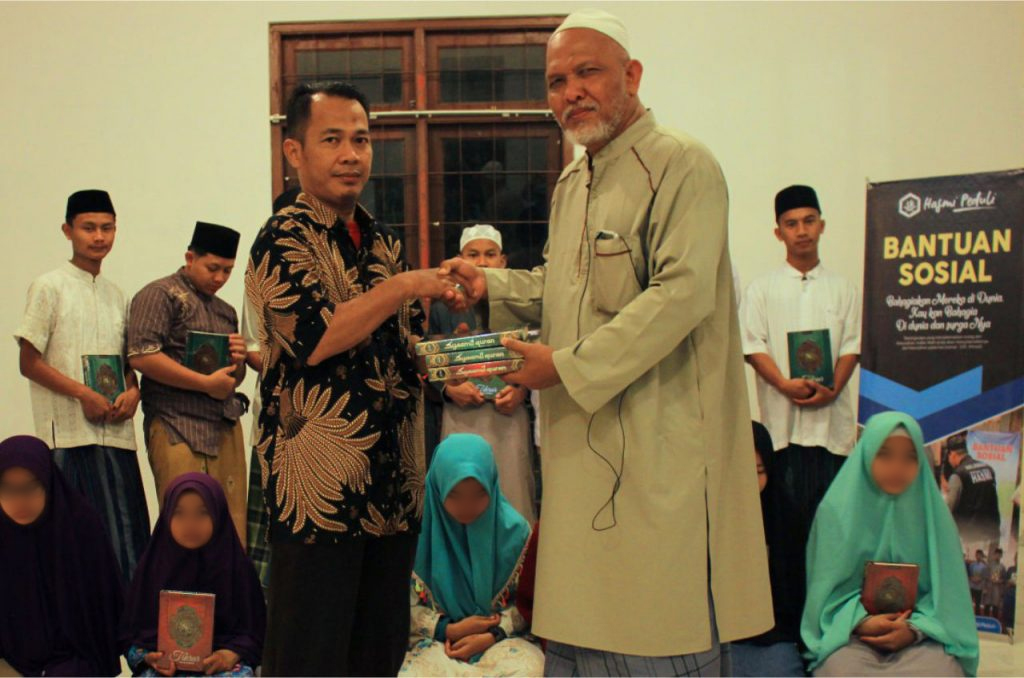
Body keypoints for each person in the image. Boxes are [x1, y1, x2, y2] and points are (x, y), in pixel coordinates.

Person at [440, 9, 771, 674]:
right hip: (581, 447)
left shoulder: (682, 164)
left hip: (660, 446)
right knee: (581, 629)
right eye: (556, 81)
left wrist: (564, 367)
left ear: (632, 74)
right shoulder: (573, 181)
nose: (571, 93)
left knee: (660, 627)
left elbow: (679, 298)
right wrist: (490, 286)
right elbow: (564, 288)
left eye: (587, 72)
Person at [244, 81, 452, 676]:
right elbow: (314, 340)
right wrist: (404, 286)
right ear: (294, 151)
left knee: (378, 653)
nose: (351, 155)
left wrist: (469, 356)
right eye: (332, 139)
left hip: (393, 487)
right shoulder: (282, 237)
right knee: (310, 656)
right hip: (321, 493)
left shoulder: (381, 240)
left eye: (360, 140)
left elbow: (408, 348)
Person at [740, 184, 861, 630]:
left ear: (822, 226)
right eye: (791, 223)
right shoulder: (761, 290)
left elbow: (851, 346)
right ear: (779, 233)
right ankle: (788, 625)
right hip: (783, 432)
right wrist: (783, 384)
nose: (802, 230)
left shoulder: (843, 288)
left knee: (831, 533)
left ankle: (830, 621)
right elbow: (752, 346)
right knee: (787, 535)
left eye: (809, 220)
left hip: (831, 433)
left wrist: (833, 387)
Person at [14, 189, 150, 581]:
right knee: (74, 548)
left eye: (107, 228)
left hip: (117, 436)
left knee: (128, 544)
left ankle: (128, 621)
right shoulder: (48, 286)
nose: (99, 237)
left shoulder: (118, 295)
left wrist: (134, 392)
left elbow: (127, 364)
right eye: (88, 228)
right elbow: (29, 362)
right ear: (67, 230)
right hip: (68, 437)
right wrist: (83, 394)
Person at [802, 411, 979, 677]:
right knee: (840, 671)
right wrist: (861, 622)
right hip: (850, 635)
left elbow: (950, 601)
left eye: (909, 457)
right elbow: (823, 597)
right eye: (885, 454)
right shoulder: (835, 512)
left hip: (923, 635)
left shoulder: (935, 519)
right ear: (866, 454)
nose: (897, 467)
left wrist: (914, 629)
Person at [128, 221, 249, 543]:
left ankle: (228, 580)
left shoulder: (225, 311)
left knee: (231, 527)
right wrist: (204, 384)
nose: (219, 278)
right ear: (190, 258)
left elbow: (232, 379)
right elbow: (141, 355)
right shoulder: (161, 294)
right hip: (175, 424)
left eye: (227, 271)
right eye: (213, 268)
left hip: (223, 425)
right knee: (185, 529)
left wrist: (238, 362)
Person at [400, 434, 543, 677]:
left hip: (502, 640)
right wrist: (447, 629)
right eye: (455, 495)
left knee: (528, 671)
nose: (467, 506)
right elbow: (398, 606)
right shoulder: (417, 535)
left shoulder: (516, 533)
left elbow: (531, 605)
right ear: (437, 488)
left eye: (478, 494)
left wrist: (494, 633)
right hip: (434, 641)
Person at [431, 224, 536, 521]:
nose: (482, 262)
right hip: (461, 417)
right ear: (460, 259)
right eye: (473, 254)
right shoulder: (443, 307)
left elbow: (537, 357)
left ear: (503, 261)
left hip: (508, 416)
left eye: (490, 254)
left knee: (513, 504)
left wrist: (521, 391)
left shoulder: (522, 305)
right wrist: (448, 389)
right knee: (460, 504)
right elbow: (429, 364)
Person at [0, 435, 124, 677]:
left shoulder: (80, 526)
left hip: (75, 660)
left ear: (48, 482)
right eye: (8, 489)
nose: (19, 500)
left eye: (29, 487)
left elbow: (104, 619)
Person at [120, 473, 266, 677]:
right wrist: (149, 657)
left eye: (202, 513)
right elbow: (130, 637)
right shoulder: (152, 569)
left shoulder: (237, 568)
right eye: (180, 513)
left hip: (222, 668)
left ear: (218, 514)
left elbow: (257, 633)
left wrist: (231, 654)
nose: (190, 523)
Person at [241, 189, 299, 595]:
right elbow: (251, 348)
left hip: (332, 428)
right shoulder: (261, 274)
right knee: (269, 533)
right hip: (278, 421)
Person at [730, 422, 805, 677]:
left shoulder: (786, 515)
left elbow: (795, 593)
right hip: (719, 634)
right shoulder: (708, 517)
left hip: (774, 633)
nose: (750, 482)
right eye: (742, 471)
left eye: (759, 471)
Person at [945, 433, 1001, 547]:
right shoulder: (988, 468)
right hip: (992, 534)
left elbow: (948, 508)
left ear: (952, 454)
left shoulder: (958, 475)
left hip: (970, 537)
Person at [967, 550, 988, 614]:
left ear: (982, 556)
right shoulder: (971, 565)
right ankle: (968, 614)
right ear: (975, 556)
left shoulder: (984, 566)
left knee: (978, 604)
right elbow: (969, 574)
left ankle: (977, 615)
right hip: (972, 586)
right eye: (977, 555)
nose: (978, 556)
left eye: (980, 555)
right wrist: (972, 578)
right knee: (969, 602)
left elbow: (984, 577)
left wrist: (979, 579)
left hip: (979, 588)